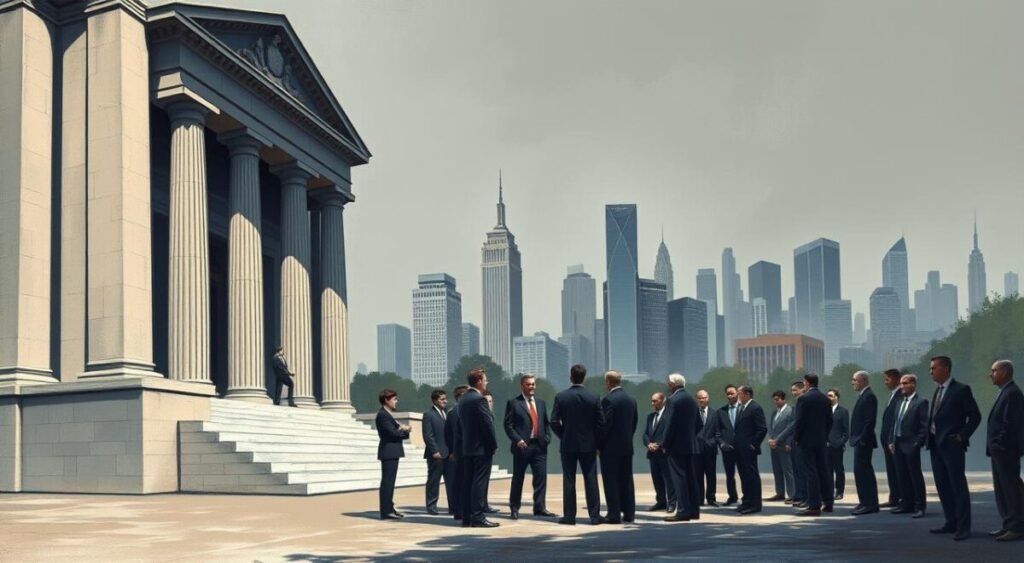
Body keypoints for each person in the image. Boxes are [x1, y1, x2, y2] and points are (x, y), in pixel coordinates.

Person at [926, 356, 981, 541]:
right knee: (943, 486)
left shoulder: (961, 390)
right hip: (935, 445)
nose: (930, 371)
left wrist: (961, 436)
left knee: (958, 487)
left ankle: (964, 527)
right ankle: (951, 522)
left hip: (952, 447)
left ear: (946, 368)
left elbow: (975, 416)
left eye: (933, 368)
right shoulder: (938, 390)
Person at [551, 364, 605, 525]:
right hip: (589, 445)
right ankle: (594, 516)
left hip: (568, 444)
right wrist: (596, 442)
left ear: (570, 377)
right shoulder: (594, 397)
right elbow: (601, 423)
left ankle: (569, 516)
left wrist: (564, 435)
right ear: (584, 377)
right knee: (591, 479)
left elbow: (554, 421)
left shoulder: (561, 397)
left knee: (569, 480)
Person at [503, 374, 554, 520]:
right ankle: (514, 508)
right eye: (528, 384)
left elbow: (546, 423)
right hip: (522, 447)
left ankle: (540, 507)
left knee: (540, 478)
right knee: (518, 478)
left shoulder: (541, 403)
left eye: (533, 384)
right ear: (522, 386)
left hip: (539, 446)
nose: (531, 387)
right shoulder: (514, 403)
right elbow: (508, 425)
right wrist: (517, 440)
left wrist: (547, 438)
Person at [985, 360, 1024, 542]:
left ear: (1005, 372)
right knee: (1002, 488)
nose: (990, 374)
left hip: (1006, 450)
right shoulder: (1005, 392)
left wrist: (999, 443)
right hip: (999, 450)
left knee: (1010, 489)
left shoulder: (1013, 394)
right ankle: (1008, 523)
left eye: (994, 370)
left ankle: (1016, 526)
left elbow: (1010, 423)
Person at [459, 368, 499, 528]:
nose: (487, 382)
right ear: (479, 381)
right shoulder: (479, 399)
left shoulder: (463, 399)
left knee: (468, 482)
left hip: (468, 447)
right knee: (479, 483)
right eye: (485, 379)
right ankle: (478, 516)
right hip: (481, 448)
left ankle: (467, 517)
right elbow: (487, 425)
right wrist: (493, 445)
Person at [658, 373, 700, 522]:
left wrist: (664, 443)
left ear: (672, 384)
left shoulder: (672, 400)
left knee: (679, 479)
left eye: (668, 383)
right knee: (690, 478)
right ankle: (694, 511)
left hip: (676, 447)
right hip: (690, 445)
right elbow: (699, 423)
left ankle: (683, 511)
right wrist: (689, 436)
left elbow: (670, 425)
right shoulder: (691, 399)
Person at [600, 371, 638, 524]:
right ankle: (629, 514)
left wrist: (599, 444)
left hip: (610, 448)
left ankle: (614, 514)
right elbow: (634, 423)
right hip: (626, 447)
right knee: (627, 480)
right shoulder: (631, 400)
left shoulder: (608, 400)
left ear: (609, 382)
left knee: (611, 481)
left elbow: (605, 425)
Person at [889, 373, 928, 519]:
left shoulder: (921, 402)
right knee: (901, 475)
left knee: (915, 476)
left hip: (911, 445)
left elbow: (924, 425)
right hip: (898, 444)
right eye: (901, 383)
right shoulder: (899, 402)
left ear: (913, 384)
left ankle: (920, 506)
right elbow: (894, 423)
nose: (902, 386)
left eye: (905, 383)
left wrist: (918, 443)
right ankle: (906, 504)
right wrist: (891, 441)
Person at [794, 373, 833, 516]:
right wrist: (824, 435)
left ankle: (814, 505)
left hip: (807, 441)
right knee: (824, 471)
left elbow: (800, 421)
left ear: (807, 383)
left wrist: (796, 438)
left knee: (810, 472)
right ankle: (828, 503)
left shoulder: (803, 399)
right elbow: (830, 421)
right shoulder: (825, 399)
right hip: (821, 440)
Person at [376, 389, 411, 520]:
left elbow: (398, 432)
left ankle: (390, 508)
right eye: (394, 399)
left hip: (392, 451)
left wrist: (404, 430)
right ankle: (386, 511)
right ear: (386, 400)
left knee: (390, 482)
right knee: (387, 482)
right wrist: (402, 429)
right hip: (388, 451)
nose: (396, 401)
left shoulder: (388, 415)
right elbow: (392, 434)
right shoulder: (383, 415)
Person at [849, 370, 879, 515]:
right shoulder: (863, 395)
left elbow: (869, 421)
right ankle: (864, 502)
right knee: (859, 472)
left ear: (863, 380)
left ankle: (871, 503)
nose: (852, 383)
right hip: (859, 440)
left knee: (865, 472)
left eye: (854, 380)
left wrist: (862, 439)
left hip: (864, 442)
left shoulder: (869, 397)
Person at [733, 385, 767, 515]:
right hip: (740, 449)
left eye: (739, 393)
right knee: (744, 476)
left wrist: (754, 444)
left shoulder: (755, 408)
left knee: (752, 477)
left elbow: (762, 428)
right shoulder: (742, 408)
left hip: (749, 449)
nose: (738, 396)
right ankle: (746, 501)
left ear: (747, 394)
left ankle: (755, 504)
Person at [422, 389, 453, 515]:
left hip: (448, 454)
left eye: (445, 399)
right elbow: (427, 435)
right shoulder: (429, 414)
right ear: (435, 400)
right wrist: (434, 450)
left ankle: (453, 506)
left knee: (451, 482)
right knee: (434, 481)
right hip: (436, 455)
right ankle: (431, 505)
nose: (445, 401)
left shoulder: (446, 413)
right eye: (442, 399)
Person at [643, 392, 675, 512]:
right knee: (657, 479)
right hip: (653, 453)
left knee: (669, 478)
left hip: (664, 453)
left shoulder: (669, 416)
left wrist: (660, 445)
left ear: (663, 401)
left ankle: (672, 502)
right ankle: (661, 501)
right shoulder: (650, 416)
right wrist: (648, 444)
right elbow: (645, 434)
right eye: (651, 400)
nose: (652, 403)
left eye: (655, 401)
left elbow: (670, 433)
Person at [778, 381, 807, 507]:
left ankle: (805, 497)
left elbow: (794, 424)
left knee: (802, 471)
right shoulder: (797, 405)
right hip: (796, 442)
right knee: (796, 471)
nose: (793, 393)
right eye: (792, 390)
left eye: (795, 390)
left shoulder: (804, 403)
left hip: (803, 442)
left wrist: (780, 438)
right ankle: (799, 495)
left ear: (802, 390)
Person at [878, 369, 904, 509]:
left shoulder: (900, 395)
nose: (885, 382)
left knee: (897, 470)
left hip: (894, 440)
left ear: (896, 379)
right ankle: (894, 497)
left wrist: (891, 439)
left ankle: (901, 498)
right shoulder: (892, 395)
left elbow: (896, 419)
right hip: (887, 440)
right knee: (891, 470)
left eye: (887, 379)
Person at [444, 385, 469, 520]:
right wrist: (453, 451)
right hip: (460, 453)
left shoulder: (463, 411)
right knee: (460, 482)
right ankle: (459, 510)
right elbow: (451, 434)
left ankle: (462, 509)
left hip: (465, 451)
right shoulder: (455, 412)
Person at [766, 390, 795, 503]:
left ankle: (792, 494)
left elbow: (790, 428)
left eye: (777, 399)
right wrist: (770, 439)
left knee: (788, 470)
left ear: (783, 399)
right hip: (774, 445)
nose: (775, 402)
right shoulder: (774, 412)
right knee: (777, 470)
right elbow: (771, 427)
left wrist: (788, 442)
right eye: (774, 400)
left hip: (784, 445)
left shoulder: (790, 411)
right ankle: (780, 492)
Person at [695, 389, 720, 507]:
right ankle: (699, 499)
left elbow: (718, 432)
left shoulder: (715, 414)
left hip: (711, 449)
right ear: (697, 399)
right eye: (700, 398)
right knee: (698, 475)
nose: (702, 400)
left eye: (704, 398)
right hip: (697, 450)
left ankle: (711, 498)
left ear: (708, 399)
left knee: (711, 475)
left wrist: (712, 442)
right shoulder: (693, 414)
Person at [717, 384, 741, 505]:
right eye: (728, 393)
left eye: (732, 393)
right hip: (727, 449)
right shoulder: (721, 411)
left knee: (744, 473)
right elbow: (717, 432)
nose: (729, 395)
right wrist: (722, 444)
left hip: (742, 448)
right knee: (729, 474)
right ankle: (732, 496)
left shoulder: (743, 409)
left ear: (737, 393)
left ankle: (747, 496)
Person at [826, 388, 850, 501]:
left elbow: (846, 432)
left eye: (830, 396)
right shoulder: (824, 411)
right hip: (825, 446)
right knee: (827, 470)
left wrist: (839, 443)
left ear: (836, 397)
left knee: (839, 470)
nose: (828, 398)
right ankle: (828, 491)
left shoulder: (843, 411)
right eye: (827, 396)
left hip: (837, 446)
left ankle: (839, 491)